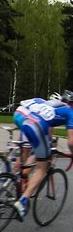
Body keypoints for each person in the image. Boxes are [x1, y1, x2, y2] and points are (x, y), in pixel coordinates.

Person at [12, 90, 73, 219]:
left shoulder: (50, 103)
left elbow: (48, 129)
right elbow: (71, 142)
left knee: (27, 155)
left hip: (21, 115)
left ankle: (15, 175)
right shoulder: (69, 112)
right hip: (37, 125)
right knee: (42, 167)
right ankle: (23, 201)